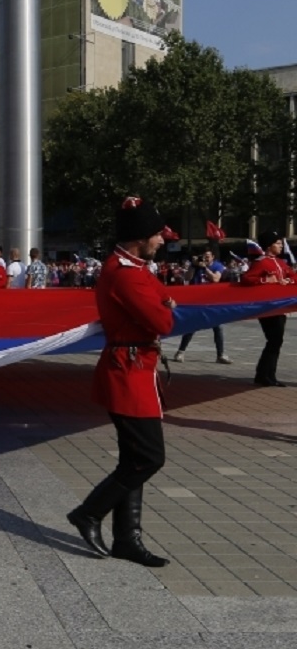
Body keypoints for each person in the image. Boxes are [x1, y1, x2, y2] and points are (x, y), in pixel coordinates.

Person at [67, 196, 174, 568]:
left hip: (135, 368)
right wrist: (164, 309)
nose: (162, 240)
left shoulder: (133, 268)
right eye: (157, 235)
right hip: (127, 372)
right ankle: (89, 512)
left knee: (134, 459)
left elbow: (163, 300)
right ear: (139, 237)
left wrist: (163, 305)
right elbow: (163, 321)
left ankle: (127, 539)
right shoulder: (125, 273)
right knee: (148, 457)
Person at [241, 230, 295, 386]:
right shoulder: (261, 262)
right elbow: (246, 279)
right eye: (278, 243)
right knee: (274, 340)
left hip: (280, 307)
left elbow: (293, 276)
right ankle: (265, 375)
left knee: (276, 341)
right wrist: (266, 279)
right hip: (267, 307)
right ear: (269, 246)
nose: (281, 246)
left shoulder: (281, 262)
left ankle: (267, 375)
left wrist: (287, 281)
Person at [172, 250, 232, 364]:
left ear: (213, 257)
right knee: (192, 326)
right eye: (203, 256)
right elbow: (187, 278)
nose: (205, 258)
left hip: (211, 300)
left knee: (217, 327)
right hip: (197, 301)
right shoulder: (195, 266)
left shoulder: (217, 266)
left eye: (208, 256)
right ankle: (180, 351)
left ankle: (220, 354)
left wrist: (205, 268)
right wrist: (193, 266)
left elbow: (215, 279)